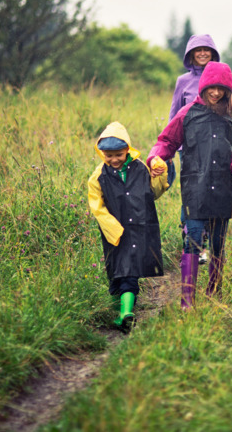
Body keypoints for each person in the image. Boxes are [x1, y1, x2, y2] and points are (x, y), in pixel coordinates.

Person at [148, 61, 232, 309]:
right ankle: (187, 301)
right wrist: (156, 158)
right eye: (212, 88)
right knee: (192, 240)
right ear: (203, 86)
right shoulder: (187, 114)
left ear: (228, 90)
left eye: (222, 89)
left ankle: (214, 292)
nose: (216, 93)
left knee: (217, 243)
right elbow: (166, 142)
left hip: (223, 188)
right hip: (195, 189)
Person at [88, 122, 169, 331]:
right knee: (117, 269)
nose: (114, 160)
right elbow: (96, 206)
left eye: (119, 155)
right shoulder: (99, 176)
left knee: (130, 270)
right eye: (109, 155)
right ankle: (120, 310)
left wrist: (158, 175)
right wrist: (111, 227)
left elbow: (153, 193)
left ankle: (126, 313)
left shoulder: (141, 168)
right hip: (115, 231)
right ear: (101, 153)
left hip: (140, 226)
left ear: (127, 150)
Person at [167, 34, 232, 266]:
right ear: (190, 54)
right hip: (190, 147)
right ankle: (191, 242)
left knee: (215, 194)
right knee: (193, 195)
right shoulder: (182, 81)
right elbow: (175, 114)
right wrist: (174, 147)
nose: (202, 54)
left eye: (206, 50)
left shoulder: (227, 81)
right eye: (197, 50)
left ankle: (207, 245)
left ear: (213, 53)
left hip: (216, 148)